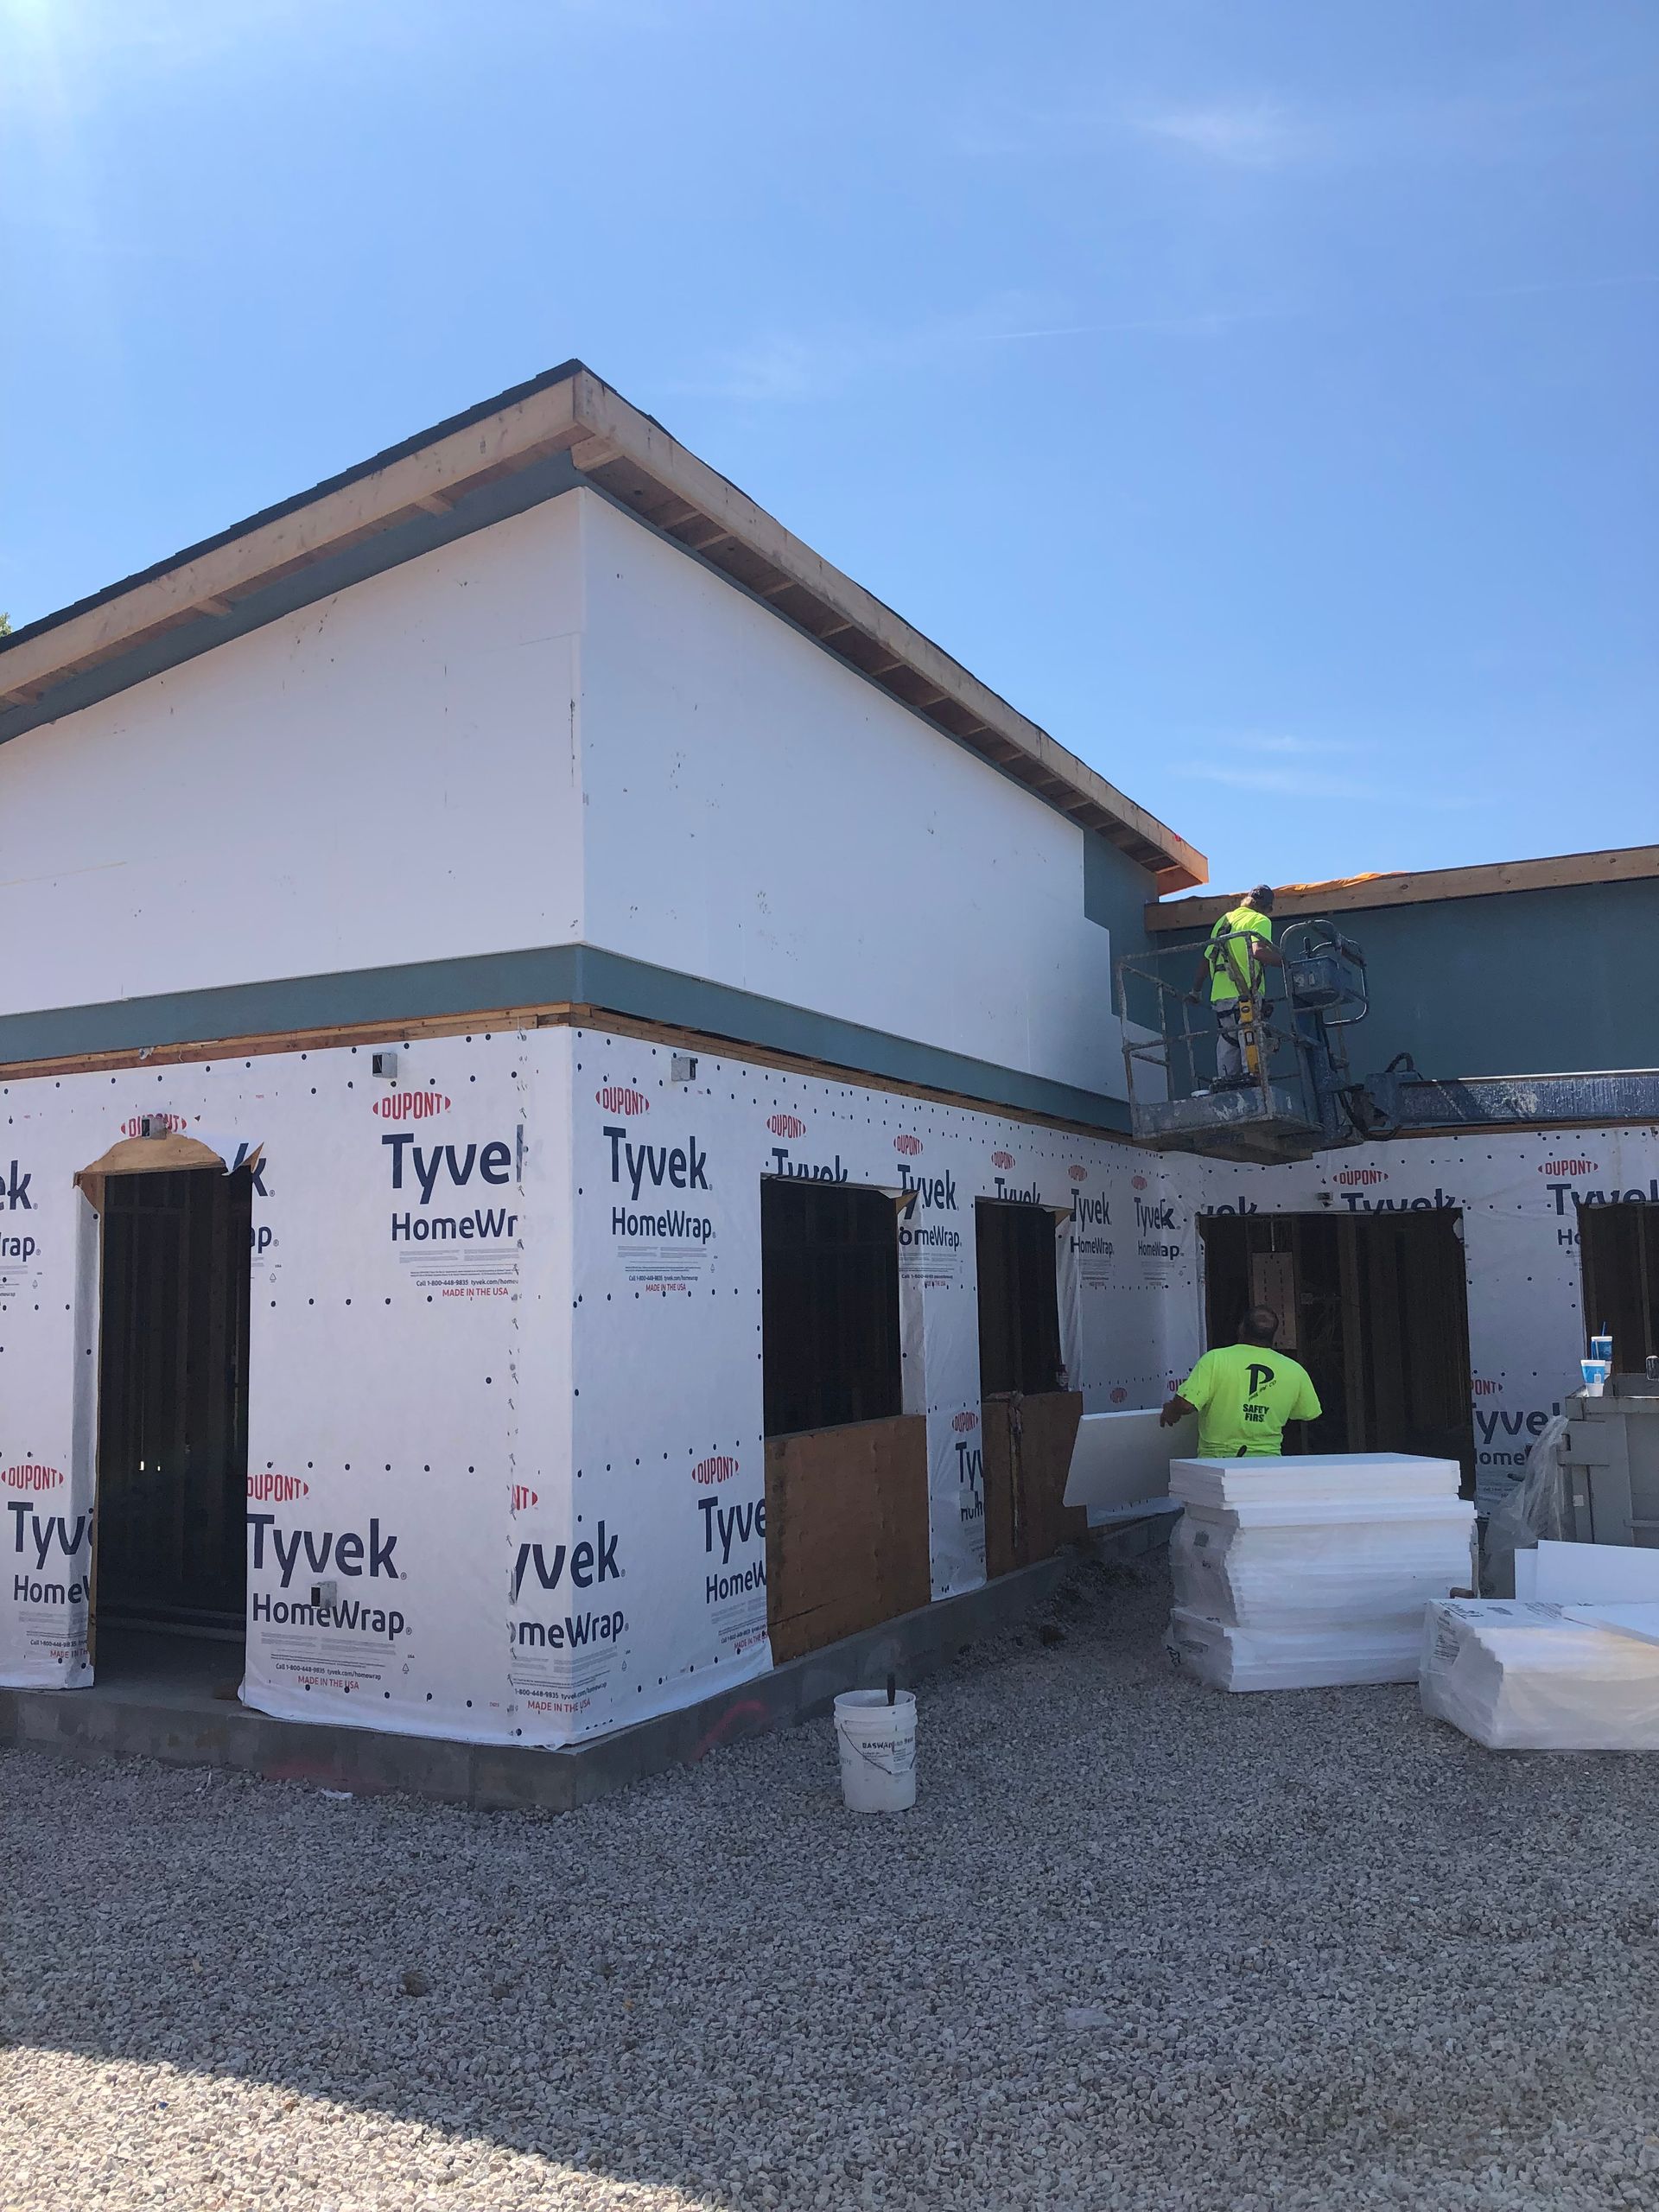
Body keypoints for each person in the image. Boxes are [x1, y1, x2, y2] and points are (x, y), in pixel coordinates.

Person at [1160, 1305, 1322, 1458]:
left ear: (1241, 1328)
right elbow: (1308, 1413)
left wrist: (1171, 1411)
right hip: (1268, 1462)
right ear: (1273, 1335)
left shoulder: (1216, 1359)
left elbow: (1185, 1405)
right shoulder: (1294, 1370)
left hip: (1216, 1461)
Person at [1194, 883, 1282, 1088]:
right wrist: (1285, 962)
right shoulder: (1260, 920)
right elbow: (1257, 951)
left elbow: (1206, 960)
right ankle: (1260, 1097)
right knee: (1252, 1053)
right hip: (1246, 997)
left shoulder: (1224, 921)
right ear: (1267, 907)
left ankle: (1227, 1094)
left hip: (1220, 1000)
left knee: (1228, 1046)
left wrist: (1195, 991)